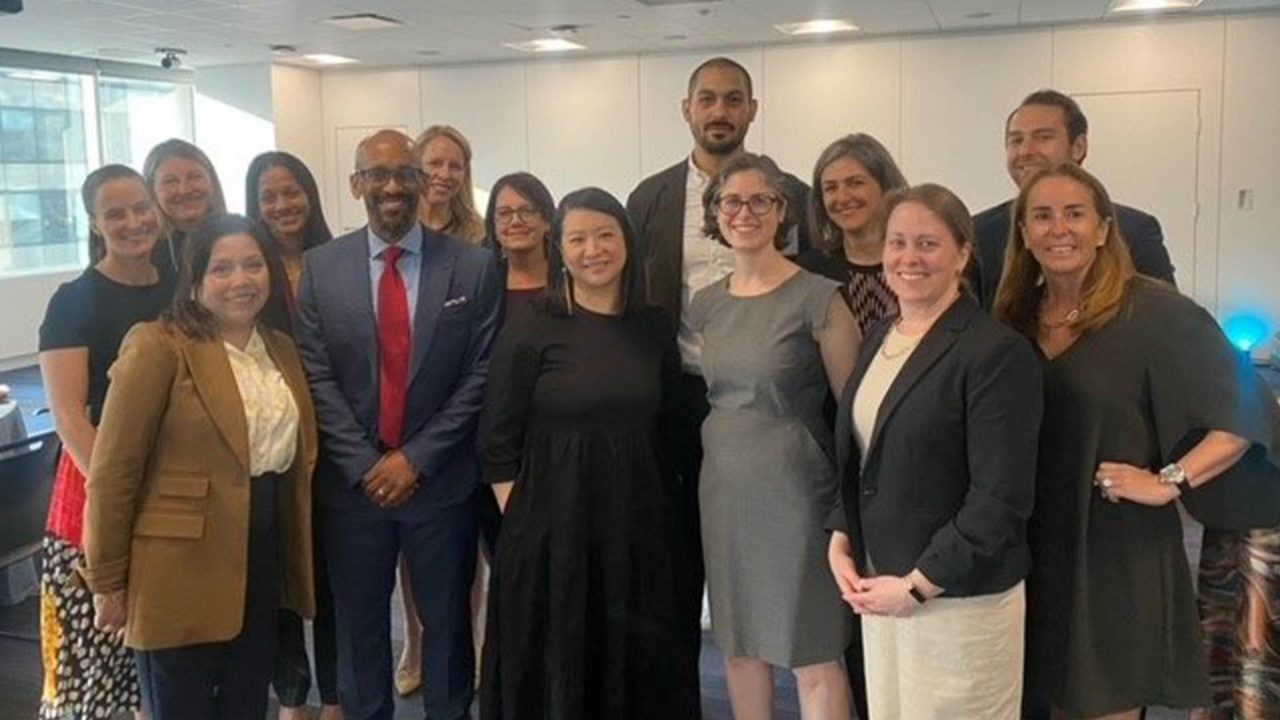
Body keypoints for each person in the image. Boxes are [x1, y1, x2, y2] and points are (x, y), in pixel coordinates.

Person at [995, 162, 1280, 719]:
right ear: (1024, 234)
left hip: (1117, 548)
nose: (1059, 229)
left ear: (1103, 228)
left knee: (1108, 701)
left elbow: (1246, 416)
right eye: (1043, 217)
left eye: (1075, 214)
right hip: (1032, 546)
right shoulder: (1012, 318)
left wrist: (1167, 480)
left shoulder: (1154, 311)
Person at [295, 129, 502, 720]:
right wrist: (367, 464)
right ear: (357, 183)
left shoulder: (472, 266)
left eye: (404, 173)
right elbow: (316, 375)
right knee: (359, 631)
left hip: (439, 485)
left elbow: (480, 374)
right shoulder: (321, 268)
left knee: (448, 628)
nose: (392, 186)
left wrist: (415, 458)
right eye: (377, 174)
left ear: (421, 182)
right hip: (352, 488)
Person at [80, 214, 318, 720]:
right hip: (177, 567)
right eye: (222, 268)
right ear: (195, 281)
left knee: (246, 703)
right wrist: (107, 581)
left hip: (262, 557)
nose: (241, 280)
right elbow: (113, 471)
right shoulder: (158, 345)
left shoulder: (280, 350)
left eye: (253, 265)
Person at [625, 57, 812, 685]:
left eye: (734, 100)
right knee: (677, 561)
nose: (720, 112)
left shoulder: (790, 194)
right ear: (687, 110)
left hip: (768, 404)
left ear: (752, 110)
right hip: (679, 398)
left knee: (778, 561)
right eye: (707, 99)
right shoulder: (648, 198)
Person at [477, 187, 697, 719]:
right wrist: (530, 519)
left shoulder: (653, 327)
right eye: (577, 238)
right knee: (558, 659)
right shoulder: (531, 328)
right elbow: (496, 439)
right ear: (559, 248)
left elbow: (672, 430)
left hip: (635, 527)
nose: (592, 249)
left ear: (627, 241)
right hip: (550, 534)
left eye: (605, 234)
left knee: (631, 658)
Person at [827, 183, 1042, 719]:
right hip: (883, 590)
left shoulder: (995, 352)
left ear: (962, 253)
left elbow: (1000, 498)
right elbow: (863, 454)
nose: (908, 258)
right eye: (897, 242)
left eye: (927, 243)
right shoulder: (881, 335)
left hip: (956, 599)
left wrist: (919, 587)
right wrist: (840, 535)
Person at [688, 153, 859, 719]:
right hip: (725, 490)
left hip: (796, 492)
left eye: (760, 199)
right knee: (739, 645)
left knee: (810, 649)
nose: (745, 212)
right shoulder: (706, 304)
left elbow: (855, 414)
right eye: (731, 201)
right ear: (715, 213)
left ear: (782, 210)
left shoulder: (820, 297)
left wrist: (848, 510)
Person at [36, 164, 174, 720]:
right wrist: (120, 498)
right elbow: (71, 419)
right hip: (96, 485)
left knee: (157, 651)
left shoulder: (177, 286)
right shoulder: (75, 299)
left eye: (142, 207)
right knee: (94, 651)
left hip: (171, 472)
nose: (134, 221)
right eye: (116, 213)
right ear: (94, 223)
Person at [245, 150, 342, 720]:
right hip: (274, 447)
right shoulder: (247, 268)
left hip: (336, 443)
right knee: (281, 578)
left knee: (335, 579)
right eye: (268, 196)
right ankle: (293, 697)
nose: (283, 204)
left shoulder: (340, 259)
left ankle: (335, 695)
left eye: (292, 191)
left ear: (311, 192)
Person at [970, 89, 1175, 309]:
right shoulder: (979, 232)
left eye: (1044, 138)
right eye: (1016, 140)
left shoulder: (1135, 231)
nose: (1026, 151)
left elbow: (1170, 321)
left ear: (1078, 147)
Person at [797, 133, 906, 337]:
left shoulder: (916, 263)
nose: (843, 197)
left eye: (855, 183)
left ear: (886, 187)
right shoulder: (808, 272)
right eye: (830, 188)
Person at [143, 138, 229, 282]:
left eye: (194, 177)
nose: (184, 190)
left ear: (212, 181)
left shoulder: (240, 239)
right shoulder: (143, 255)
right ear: (152, 191)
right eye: (171, 181)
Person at [482, 171, 555, 329]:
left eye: (527, 211)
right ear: (493, 225)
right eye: (504, 213)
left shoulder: (571, 279)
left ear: (547, 221)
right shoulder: (482, 283)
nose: (515, 221)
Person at [413, 124, 485, 243]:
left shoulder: (480, 236)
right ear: (415, 166)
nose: (445, 175)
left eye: (455, 167)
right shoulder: (398, 231)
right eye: (435, 164)